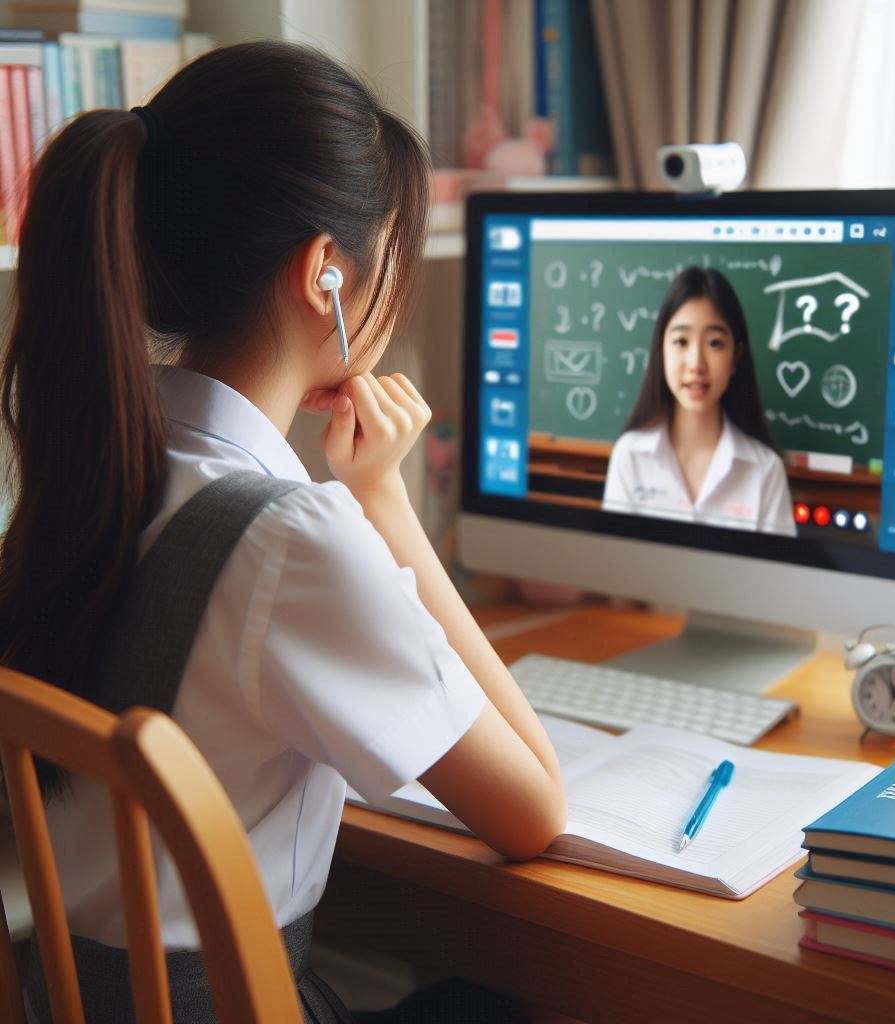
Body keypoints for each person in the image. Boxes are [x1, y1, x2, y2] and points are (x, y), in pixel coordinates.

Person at [0, 41, 566, 1023]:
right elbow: (533, 809)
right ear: (325, 276)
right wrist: (383, 504)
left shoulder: (93, 477)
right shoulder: (291, 540)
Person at [602, 267, 795, 536]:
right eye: (681, 341)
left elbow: (778, 575)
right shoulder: (630, 456)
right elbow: (614, 567)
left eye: (714, 343)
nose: (696, 364)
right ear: (661, 351)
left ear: (735, 358)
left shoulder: (765, 470)